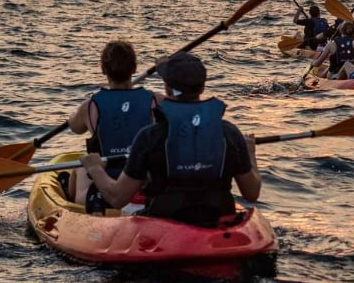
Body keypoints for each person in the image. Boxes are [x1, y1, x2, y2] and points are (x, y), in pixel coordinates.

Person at [80, 53, 261, 228]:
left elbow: (117, 198)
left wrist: (95, 168)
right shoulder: (229, 132)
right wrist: (250, 153)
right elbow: (252, 193)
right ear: (203, 87)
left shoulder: (149, 137)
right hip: (218, 219)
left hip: (164, 223)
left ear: (166, 88)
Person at [64, 40, 159, 213]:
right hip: (143, 183)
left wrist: (73, 117)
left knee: (79, 168)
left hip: (106, 185)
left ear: (103, 70)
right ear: (134, 69)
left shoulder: (90, 106)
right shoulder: (156, 101)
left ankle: (69, 202)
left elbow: (75, 126)